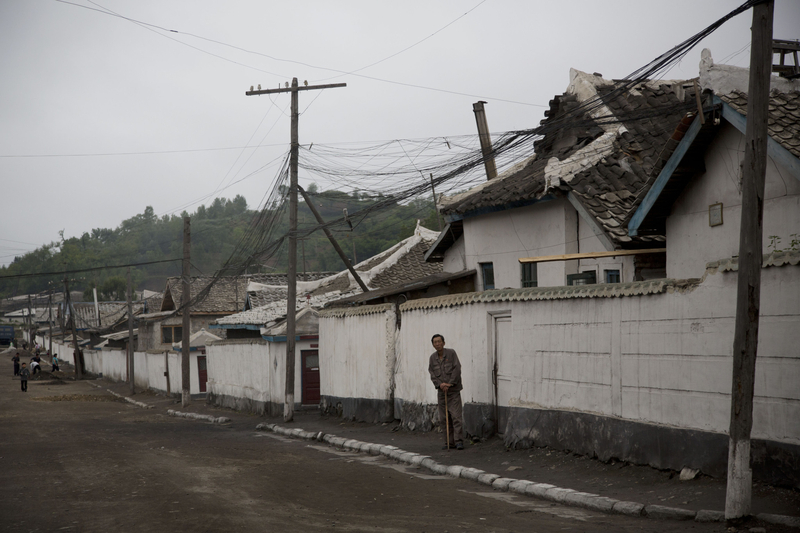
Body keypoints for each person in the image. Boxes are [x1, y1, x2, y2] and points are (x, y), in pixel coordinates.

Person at [428, 334, 464, 450]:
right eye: (435, 342)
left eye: (439, 341)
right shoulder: (432, 358)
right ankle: (449, 442)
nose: (437, 344)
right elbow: (432, 373)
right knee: (444, 418)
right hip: (441, 391)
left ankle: (458, 441)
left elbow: (457, 368)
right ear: (433, 344)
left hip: (453, 391)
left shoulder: (451, 353)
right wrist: (440, 384)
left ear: (444, 343)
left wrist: (450, 383)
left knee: (456, 417)